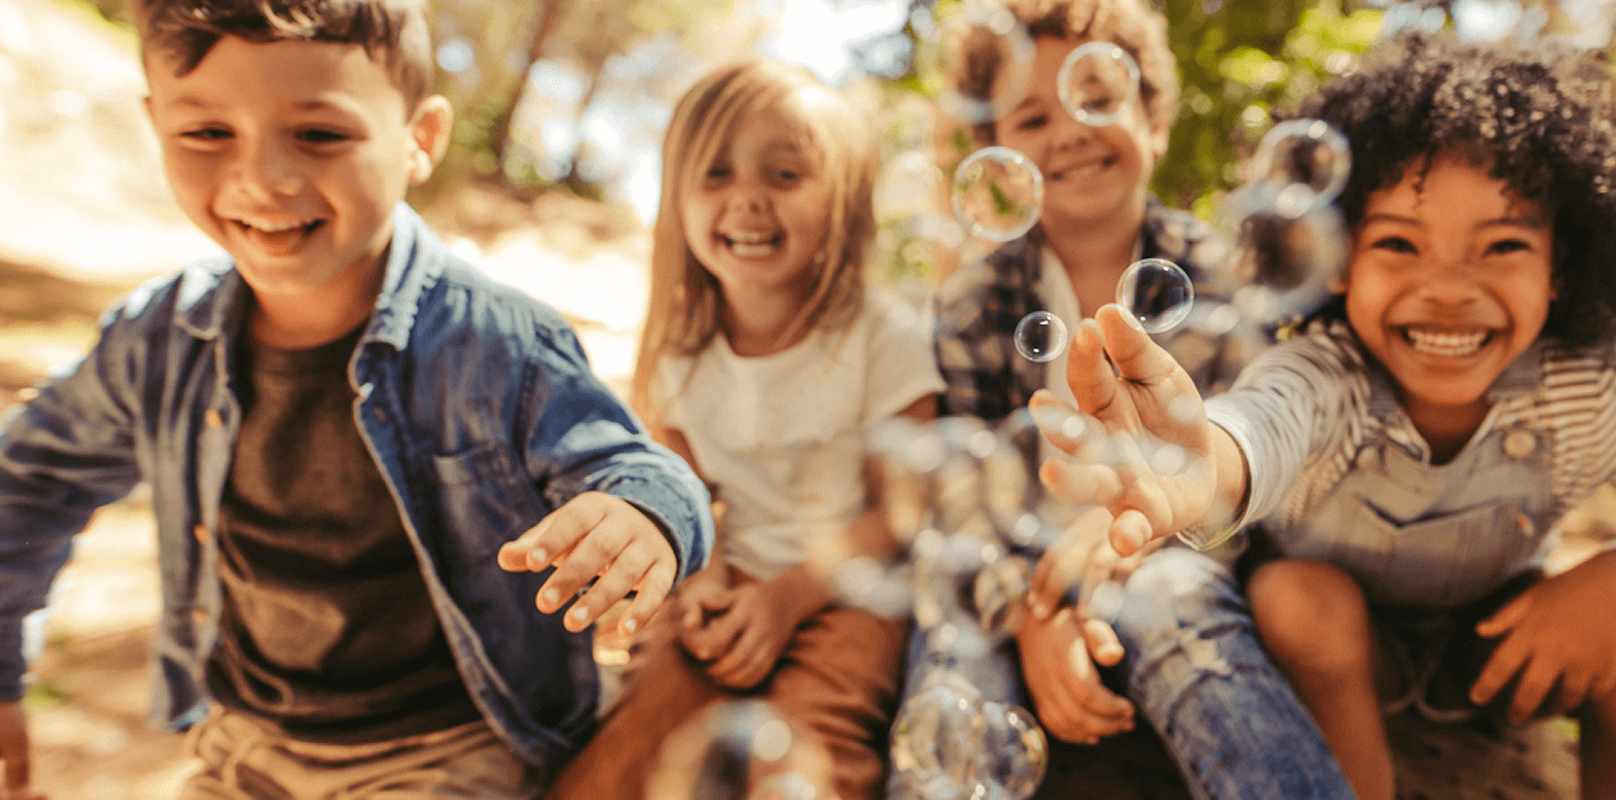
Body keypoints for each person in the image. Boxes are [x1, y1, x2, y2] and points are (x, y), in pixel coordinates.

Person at [1034, 32, 1616, 800]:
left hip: (1496, 647)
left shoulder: (1590, 394)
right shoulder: (1327, 372)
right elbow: (1261, 424)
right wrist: (1201, 461)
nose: (1447, 288)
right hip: (1330, 652)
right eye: (1400, 243)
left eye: (1501, 245)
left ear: (1561, 268)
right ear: (1337, 259)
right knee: (1299, 595)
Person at [0, 1, 716, 797]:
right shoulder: (157, 339)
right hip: (248, 744)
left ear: (421, 140)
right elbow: (27, 482)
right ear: (155, 121)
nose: (262, 178)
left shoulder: (499, 342)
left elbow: (636, 468)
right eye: (207, 133)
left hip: (447, 751)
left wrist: (646, 516)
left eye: (320, 135)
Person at [906, 0, 1354, 798]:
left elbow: (1224, 480)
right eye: (1033, 116)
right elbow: (962, 492)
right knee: (951, 659)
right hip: (1004, 571)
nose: (1071, 131)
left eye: (1099, 97)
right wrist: (1034, 612)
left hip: (1163, 558)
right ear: (998, 157)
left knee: (1186, 619)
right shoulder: (972, 303)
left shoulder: (1220, 278)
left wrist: (1107, 570)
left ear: (1153, 120)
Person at [544, 58, 943, 800]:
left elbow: (901, 509)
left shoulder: (880, 336)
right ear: (677, 200)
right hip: (730, 592)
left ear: (844, 201)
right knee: (631, 748)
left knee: (805, 754)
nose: (747, 202)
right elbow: (687, 494)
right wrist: (710, 578)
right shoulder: (680, 358)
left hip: (848, 596)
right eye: (715, 175)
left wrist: (788, 599)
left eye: (785, 176)